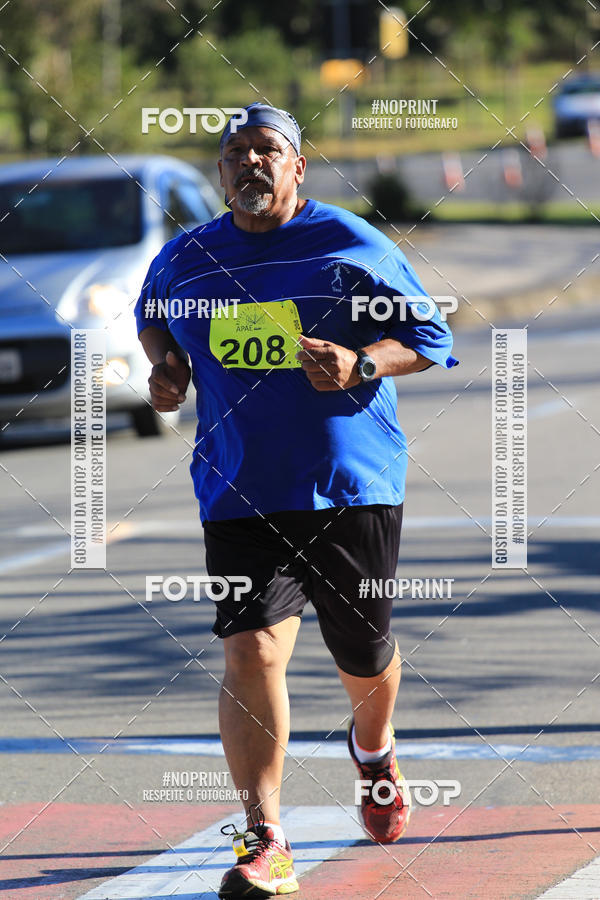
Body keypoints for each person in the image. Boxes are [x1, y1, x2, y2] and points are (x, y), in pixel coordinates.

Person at [135, 102, 457, 898]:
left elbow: (429, 339)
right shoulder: (188, 258)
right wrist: (167, 369)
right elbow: (152, 318)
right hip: (239, 488)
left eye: (268, 151)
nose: (252, 163)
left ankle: (375, 752)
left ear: (297, 168)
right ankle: (265, 839)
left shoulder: (350, 242)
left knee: (364, 655)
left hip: (349, 483)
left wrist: (360, 363)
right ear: (220, 173)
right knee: (250, 651)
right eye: (237, 152)